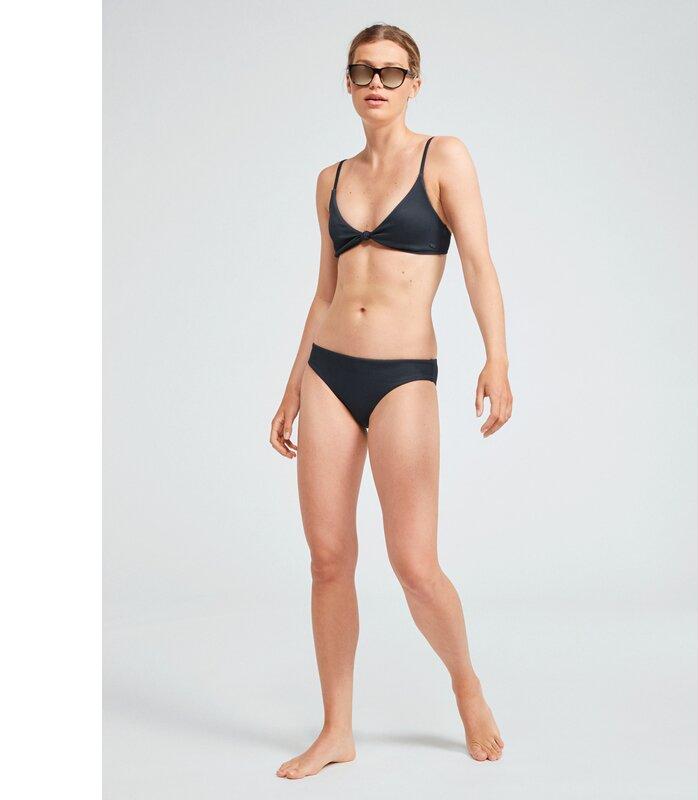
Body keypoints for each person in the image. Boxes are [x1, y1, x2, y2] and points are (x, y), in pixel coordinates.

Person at [269, 23, 513, 780]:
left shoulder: (445, 157)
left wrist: (497, 360)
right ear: (348, 82)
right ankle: (336, 729)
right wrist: (291, 387)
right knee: (328, 559)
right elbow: (325, 291)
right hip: (329, 373)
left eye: (392, 72)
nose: (377, 83)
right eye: (363, 70)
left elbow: (478, 262)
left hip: (404, 373)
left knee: (414, 562)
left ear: (414, 83)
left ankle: (465, 684)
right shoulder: (330, 179)